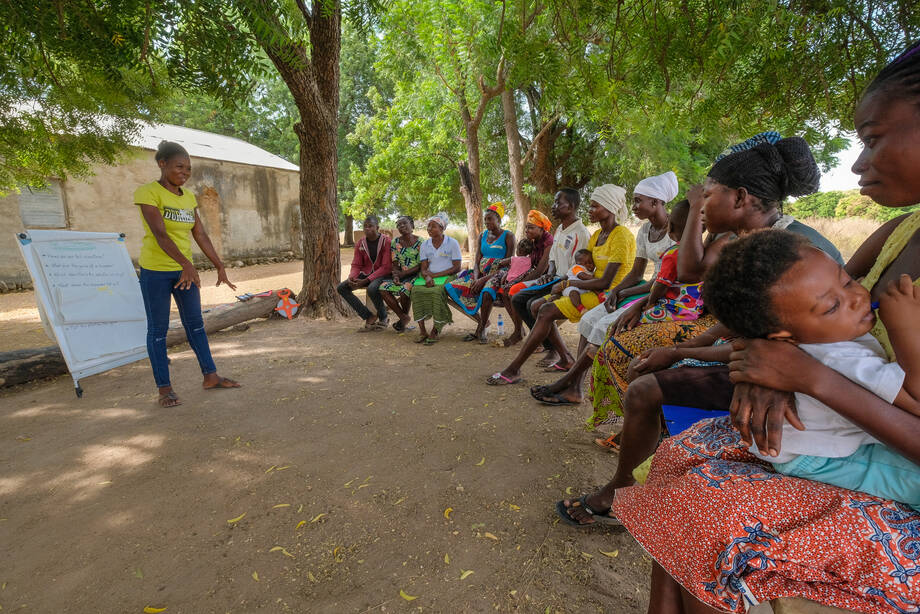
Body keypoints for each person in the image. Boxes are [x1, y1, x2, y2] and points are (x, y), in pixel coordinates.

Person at [612, 43, 920, 614]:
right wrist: (764, 365)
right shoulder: (900, 229)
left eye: (873, 138)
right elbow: (800, 319)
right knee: (680, 463)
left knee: (708, 513)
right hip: (843, 419)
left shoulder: (788, 243)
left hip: (882, 451)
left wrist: (804, 376)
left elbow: (809, 327)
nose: (857, 163)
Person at [587, 133, 843, 427]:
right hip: (756, 348)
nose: (701, 205)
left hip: (798, 374)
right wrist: (687, 345)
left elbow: (690, 273)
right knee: (640, 363)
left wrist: (680, 351)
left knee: (645, 375)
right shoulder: (746, 239)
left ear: (740, 198)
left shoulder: (791, 250)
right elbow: (745, 321)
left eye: (707, 196)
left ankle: (659, 438)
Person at [702, 229, 920, 509]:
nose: (857, 297)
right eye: (832, 306)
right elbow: (916, 401)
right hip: (824, 460)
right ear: (783, 337)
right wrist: (906, 329)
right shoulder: (839, 357)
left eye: (848, 281)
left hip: (807, 448)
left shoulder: (816, 338)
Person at [529, 173, 677, 404]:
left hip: (662, 292)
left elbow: (662, 281)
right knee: (588, 321)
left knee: (602, 326)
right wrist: (616, 292)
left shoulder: (674, 231)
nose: (633, 206)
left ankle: (567, 381)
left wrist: (621, 291)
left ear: (656, 202)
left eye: (638, 201)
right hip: (642, 288)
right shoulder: (644, 231)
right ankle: (575, 387)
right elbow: (636, 273)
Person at [486, 185, 635, 385]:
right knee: (537, 305)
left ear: (609, 207)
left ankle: (518, 368)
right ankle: (563, 359)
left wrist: (566, 284)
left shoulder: (620, 235)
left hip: (605, 295)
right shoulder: (596, 236)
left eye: (594, 206)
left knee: (543, 308)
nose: (589, 210)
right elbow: (580, 269)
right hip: (585, 287)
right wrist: (561, 283)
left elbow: (605, 282)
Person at [134, 140, 240, 408]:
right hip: (156, 271)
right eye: (179, 166)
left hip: (184, 272)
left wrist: (218, 264)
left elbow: (199, 233)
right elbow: (160, 234)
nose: (185, 172)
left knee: (195, 324)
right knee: (157, 330)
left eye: (188, 168)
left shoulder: (188, 197)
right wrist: (186, 264)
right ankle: (164, 389)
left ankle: (210, 376)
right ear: (162, 164)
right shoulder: (148, 193)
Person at [506, 190, 590, 362]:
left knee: (533, 304)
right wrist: (550, 273)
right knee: (518, 298)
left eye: (558, 203)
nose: (553, 206)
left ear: (571, 207)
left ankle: (553, 349)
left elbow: (580, 268)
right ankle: (549, 346)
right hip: (554, 278)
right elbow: (552, 258)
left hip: (567, 282)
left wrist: (558, 282)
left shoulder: (581, 234)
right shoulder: (560, 229)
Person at [445, 202, 515, 343]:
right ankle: (482, 321)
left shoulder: (508, 236)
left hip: (499, 275)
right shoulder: (482, 235)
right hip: (479, 274)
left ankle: (481, 329)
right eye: (485, 219)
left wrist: (483, 280)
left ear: (498, 220)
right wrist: (476, 278)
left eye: (490, 219)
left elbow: (509, 263)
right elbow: (476, 261)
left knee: (487, 292)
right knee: (450, 288)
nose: (487, 222)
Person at [411, 212, 462, 345]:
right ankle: (422, 331)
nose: (429, 229)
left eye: (433, 226)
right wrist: (427, 277)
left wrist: (434, 276)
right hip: (429, 276)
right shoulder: (425, 245)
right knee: (415, 291)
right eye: (428, 226)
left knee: (437, 292)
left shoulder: (452, 243)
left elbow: (457, 267)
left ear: (442, 228)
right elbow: (423, 268)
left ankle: (435, 330)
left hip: (449, 276)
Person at [337, 215, 393, 332]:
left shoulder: (386, 241)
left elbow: (386, 267)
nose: (367, 228)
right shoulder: (361, 243)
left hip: (382, 274)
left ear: (377, 227)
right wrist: (352, 277)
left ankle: (383, 317)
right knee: (342, 288)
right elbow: (356, 264)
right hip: (366, 273)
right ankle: (368, 316)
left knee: (372, 288)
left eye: (370, 226)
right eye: (365, 226)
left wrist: (366, 280)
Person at [379, 215, 422, 332]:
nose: (401, 226)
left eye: (404, 223)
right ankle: (403, 317)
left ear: (411, 225)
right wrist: (396, 276)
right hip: (401, 275)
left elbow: (421, 265)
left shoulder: (421, 242)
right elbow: (395, 263)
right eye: (399, 225)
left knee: (404, 290)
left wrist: (404, 273)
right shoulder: (395, 242)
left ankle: (403, 321)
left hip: (416, 275)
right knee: (383, 288)